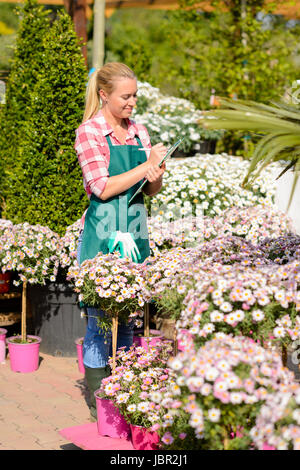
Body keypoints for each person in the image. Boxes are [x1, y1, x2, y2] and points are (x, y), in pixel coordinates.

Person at [74, 62, 167, 420]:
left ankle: (127, 402)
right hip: (104, 233)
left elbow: (151, 189)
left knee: (128, 320)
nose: (132, 103)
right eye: (125, 96)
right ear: (104, 95)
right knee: (100, 321)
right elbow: (102, 186)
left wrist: (156, 171)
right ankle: (104, 406)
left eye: (135, 96)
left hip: (135, 230)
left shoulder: (138, 132)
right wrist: (145, 167)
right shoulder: (90, 132)